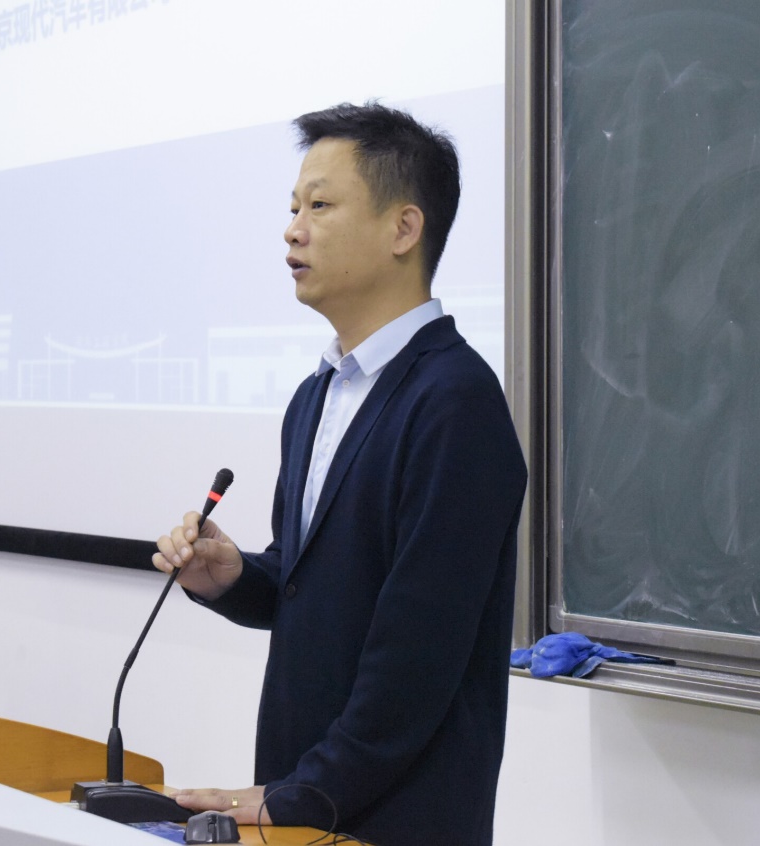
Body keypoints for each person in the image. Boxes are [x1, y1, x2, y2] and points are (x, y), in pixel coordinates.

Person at [153, 102, 527, 846]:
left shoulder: (455, 402)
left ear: (403, 228)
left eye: (319, 206)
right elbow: (315, 589)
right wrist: (235, 577)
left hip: (397, 819)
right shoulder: (315, 396)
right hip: (302, 803)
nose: (293, 230)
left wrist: (304, 794)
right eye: (293, 207)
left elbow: (417, 657)